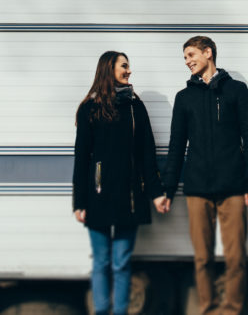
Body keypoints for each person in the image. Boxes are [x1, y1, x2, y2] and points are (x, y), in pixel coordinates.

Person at [162, 36, 248, 315]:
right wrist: (168, 189)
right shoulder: (184, 98)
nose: (187, 61)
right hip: (197, 189)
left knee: (235, 257)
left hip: (233, 188)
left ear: (208, 53)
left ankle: (231, 310)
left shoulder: (237, 91)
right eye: (185, 57)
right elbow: (176, 146)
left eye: (191, 55)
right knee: (202, 258)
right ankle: (207, 308)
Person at [72, 51, 169, 315]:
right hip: (97, 195)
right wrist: (79, 201)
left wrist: (156, 193)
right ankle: (102, 311)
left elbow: (147, 154)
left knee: (121, 263)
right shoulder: (90, 108)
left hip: (130, 196)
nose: (129, 70)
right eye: (124, 66)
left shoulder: (136, 107)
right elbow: (82, 159)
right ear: (109, 69)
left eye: (128, 66)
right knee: (101, 262)